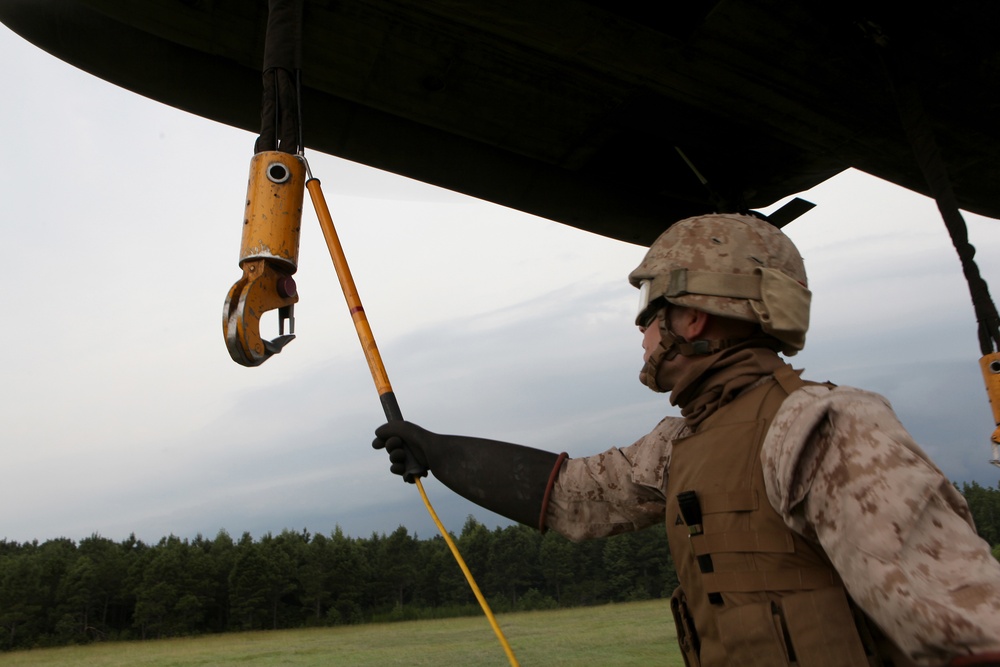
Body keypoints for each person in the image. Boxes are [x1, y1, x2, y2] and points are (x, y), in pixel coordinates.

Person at [373, 213, 1000, 666]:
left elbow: (969, 631)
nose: (641, 329)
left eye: (650, 308)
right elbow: (572, 497)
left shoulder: (824, 426)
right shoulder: (681, 443)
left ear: (691, 317)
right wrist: (438, 450)